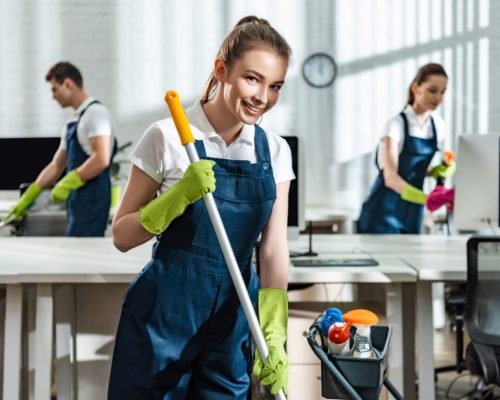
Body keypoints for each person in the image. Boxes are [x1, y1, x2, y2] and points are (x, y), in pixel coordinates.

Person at [107, 16, 293, 399]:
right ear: (222, 69)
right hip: (162, 318)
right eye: (252, 79)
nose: (263, 97)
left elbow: (273, 248)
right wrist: (175, 198)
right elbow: (122, 236)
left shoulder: (275, 151)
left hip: (233, 317)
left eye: (275, 86)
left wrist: (275, 332)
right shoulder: (168, 136)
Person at [2, 61, 116, 237]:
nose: (53, 96)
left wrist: (67, 182)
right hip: (77, 203)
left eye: (54, 89)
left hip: (92, 202)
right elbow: (56, 165)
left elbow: (101, 158)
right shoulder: (73, 120)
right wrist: (29, 196)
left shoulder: (96, 114)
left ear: (68, 84)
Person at [357, 63, 455, 234]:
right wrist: (427, 198)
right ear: (416, 87)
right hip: (383, 212)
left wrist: (440, 170)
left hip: (413, 212)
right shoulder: (395, 125)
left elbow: (418, 169)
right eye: (433, 90)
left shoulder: (438, 125)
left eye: (443, 91)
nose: (438, 97)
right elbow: (391, 177)